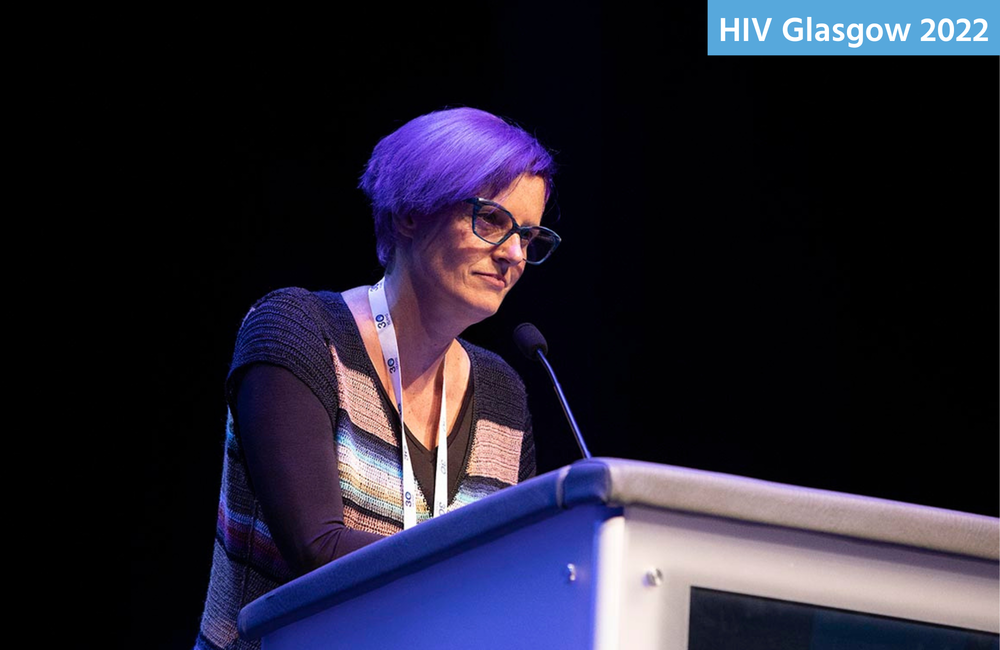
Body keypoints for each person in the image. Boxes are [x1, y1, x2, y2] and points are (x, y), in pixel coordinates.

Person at [194, 106, 562, 650]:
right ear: (410, 212)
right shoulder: (300, 333)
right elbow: (315, 551)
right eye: (491, 220)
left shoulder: (503, 394)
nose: (513, 254)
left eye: (529, 237)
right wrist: (488, 574)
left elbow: (512, 574)